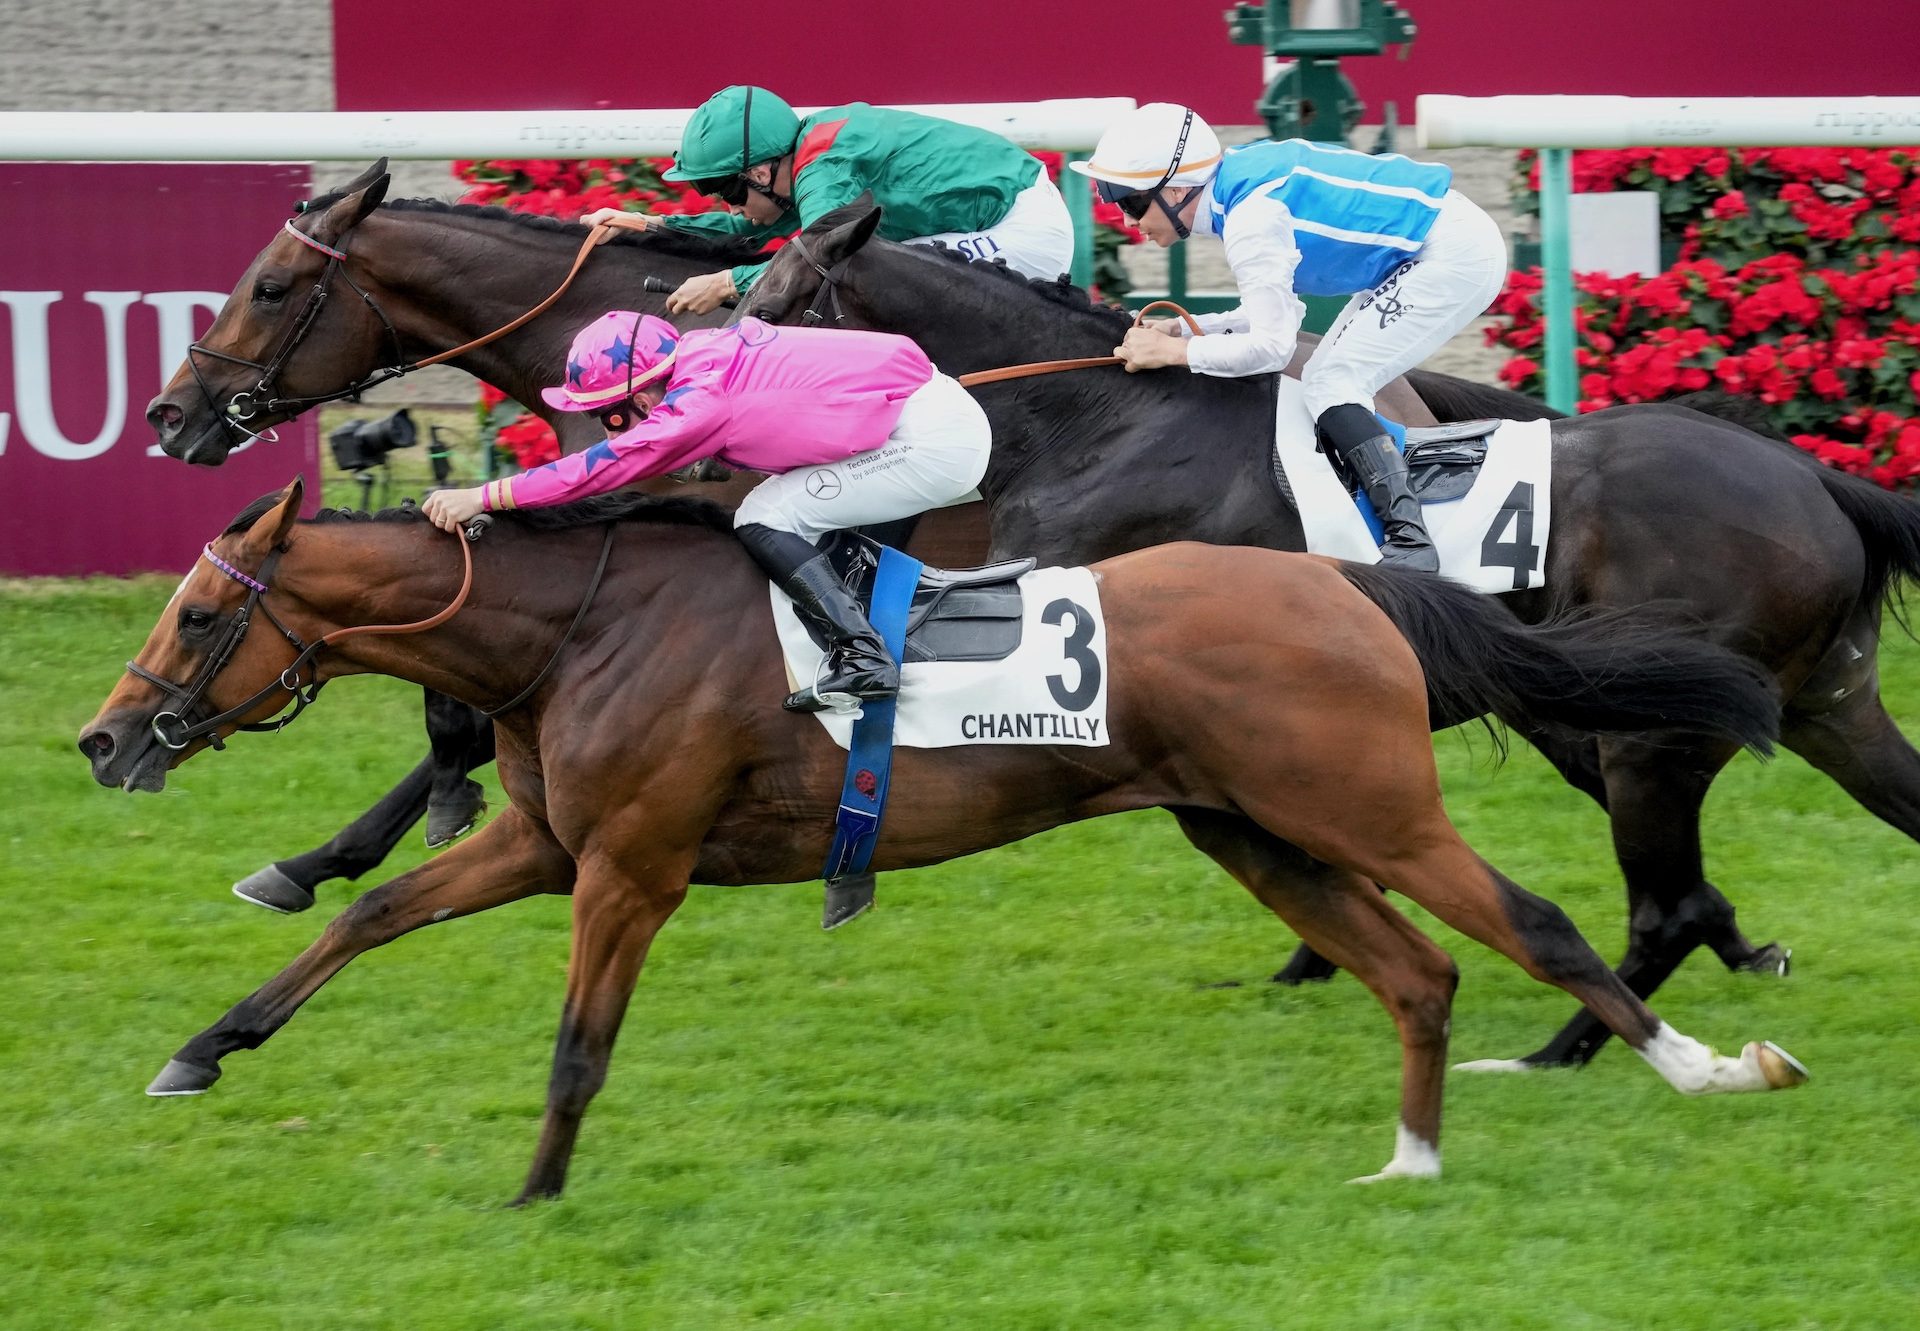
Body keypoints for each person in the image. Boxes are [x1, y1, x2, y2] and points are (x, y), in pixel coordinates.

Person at [422, 311, 990, 713]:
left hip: (931, 442)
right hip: (921, 412)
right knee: (781, 506)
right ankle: (856, 630)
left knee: (765, 517)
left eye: (610, 415)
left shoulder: (695, 406)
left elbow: (600, 467)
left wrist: (486, 495)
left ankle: (863, 656)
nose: (607, 426)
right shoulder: (698, 351)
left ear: (642, 398)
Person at [1069, 103, 1509, 571]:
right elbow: (1278, 316)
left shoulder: (1251, 219)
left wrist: (1177, 351)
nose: (1127, 220)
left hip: (1449, 255)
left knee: (1332, 383)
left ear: (1177, 189)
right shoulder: (1237, 190)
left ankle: (1411, 539)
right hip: (1431, 245)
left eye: (1132, 202)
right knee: (1327, 378)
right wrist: (1184, 328)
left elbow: (1271, 348)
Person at [580, 86, 1076, 315]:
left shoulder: (824, 168)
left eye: (727, 191)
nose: (730, 206)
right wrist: (648, 225)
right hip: (992, 215)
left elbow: (818, 264)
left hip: (1020, 229)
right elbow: (749, 229)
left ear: (758, 171)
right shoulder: (805, 156)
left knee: (868, 278)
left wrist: (727, 280)